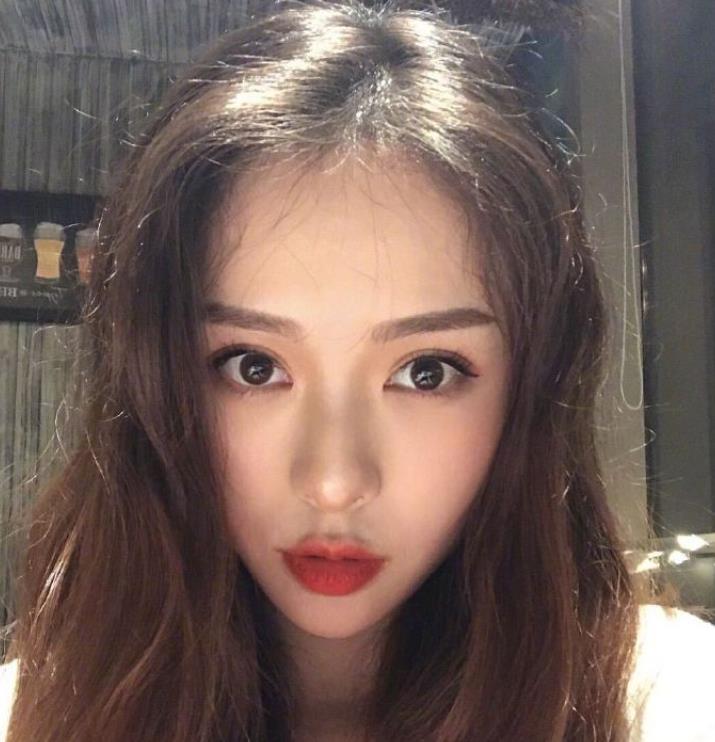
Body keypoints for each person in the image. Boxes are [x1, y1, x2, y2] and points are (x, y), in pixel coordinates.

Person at [1, 1, 714, 740]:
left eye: (426, 372)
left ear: (533, 386)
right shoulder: (39, 715)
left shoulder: (669, 703)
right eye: (253, 366)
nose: (335, 482)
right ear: (153, 380)